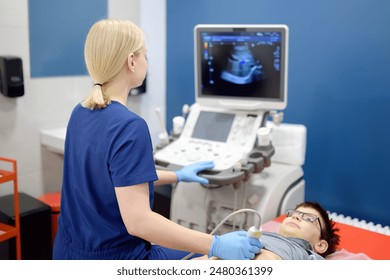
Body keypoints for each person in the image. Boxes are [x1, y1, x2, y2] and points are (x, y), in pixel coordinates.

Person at [52, 19, 262, 260]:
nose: (146, 62)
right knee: (217, 260)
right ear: (132, 61)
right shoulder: (129, 126)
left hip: (68, 253)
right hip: (119, 259)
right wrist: (215, 244)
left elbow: (116, 180)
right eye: (145, 55)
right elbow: (139, 222)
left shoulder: (80, 112)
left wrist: (177, 175)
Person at [201, 201, 340, 260]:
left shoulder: (309, 257)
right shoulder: (259, 236)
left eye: (309, 218)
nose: (296, 217)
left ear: (320, 245)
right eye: (293, 213)